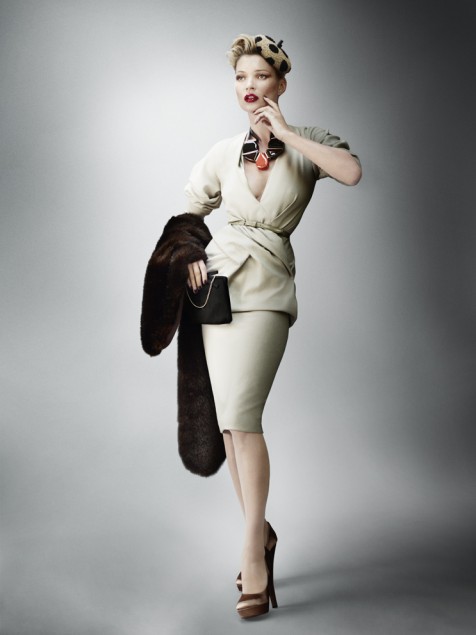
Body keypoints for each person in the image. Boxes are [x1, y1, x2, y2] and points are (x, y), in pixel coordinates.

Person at [184, 34, 361, 619]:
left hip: (268, 288)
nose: (250, 85)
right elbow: (188, 212)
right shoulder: (222, 152)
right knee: (230, 427)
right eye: (241, 77)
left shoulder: (307, 144)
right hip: (219, 287)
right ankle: (259, 535)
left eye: (261, 76)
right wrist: (189, 255)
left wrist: (284, 132)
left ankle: (252, 553)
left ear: (281, 83)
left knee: (243, 415)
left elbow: (351, 172)